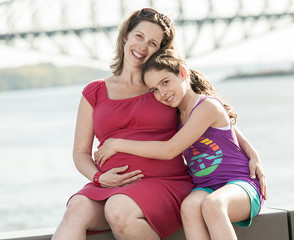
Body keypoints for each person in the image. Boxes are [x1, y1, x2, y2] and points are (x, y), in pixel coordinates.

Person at [52, 8, 195, 240]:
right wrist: (98, 178)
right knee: (76, 207)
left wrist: (250, 152)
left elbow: (209, 111)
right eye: (139, 36)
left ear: (160, 50)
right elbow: (80, 152)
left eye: (153, 43)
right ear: (125, 36)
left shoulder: (166, 84)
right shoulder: (94, 91)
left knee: (118, 209)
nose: (142, 46)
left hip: (164, 182)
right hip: (109, 185)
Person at [95, 49, 267, 240]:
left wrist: (118, 144)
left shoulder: (207, 106)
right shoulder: (175, 116)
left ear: (183, 73)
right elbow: (232, 130)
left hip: (240, 185)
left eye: (165, 82)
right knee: (189, 207)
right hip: (206, 187)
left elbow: (170, 150)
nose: (162, 93)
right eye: (154, 90)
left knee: (213, 205)